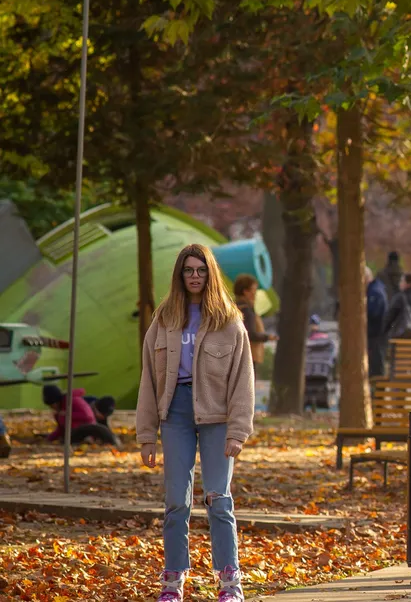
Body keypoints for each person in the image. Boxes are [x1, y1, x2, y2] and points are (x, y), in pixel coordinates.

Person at [136, 243, 255, 602]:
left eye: (201, 270)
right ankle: (173, 581)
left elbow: (243, 380)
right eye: (188, 270)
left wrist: (238, 431)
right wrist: (146, 435)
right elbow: (149, 380)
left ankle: (229, 582)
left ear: (210, 274)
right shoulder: (164, 319)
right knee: (176, 501)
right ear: (179, 274)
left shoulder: (229, 320)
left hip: (218, 416)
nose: (195, 276)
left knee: (218, 498)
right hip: (175, 415)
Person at [43, 383, 120, 446]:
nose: (52, 408)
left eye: (52, 405)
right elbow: (61, 429)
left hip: (86, 427)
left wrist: (68, 415)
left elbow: (88, 416)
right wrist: (49, 439)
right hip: (75, 429)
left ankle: (89, 438)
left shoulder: (70, 402)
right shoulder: (61, 411)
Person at [233, 275, 274, 373]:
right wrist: (267, 337)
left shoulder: (233, 308)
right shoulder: (247, 311)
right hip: (248, 355)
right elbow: (250, 334)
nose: (255, 293)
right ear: (245, 291)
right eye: (253, 290)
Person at [364, 266, 389, 379]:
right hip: (375, 334)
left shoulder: (375, 292)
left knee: (376, 365)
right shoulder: (374, 290)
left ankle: (377, 387)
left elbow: (373, 312)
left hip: (376, 334)